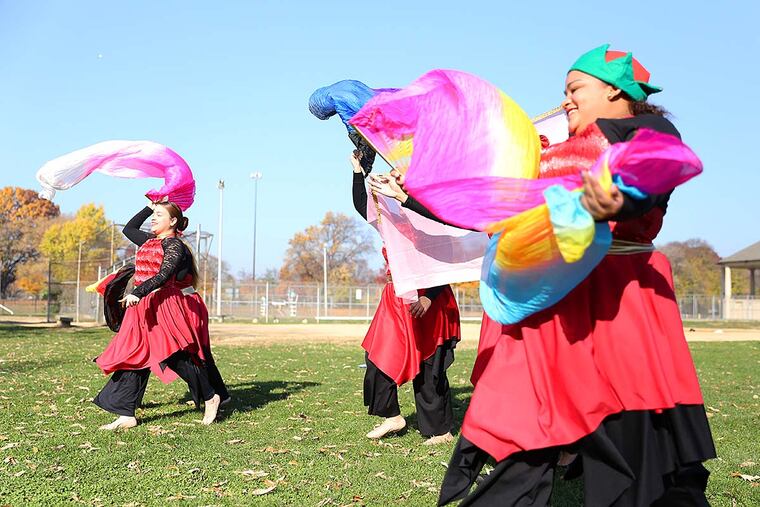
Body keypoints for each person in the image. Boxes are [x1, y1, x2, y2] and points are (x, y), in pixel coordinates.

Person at [430, 45, 716, 506]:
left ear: (615, 89)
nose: (566, 100)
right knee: (526, 428)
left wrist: (616, 197)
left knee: (635, 441)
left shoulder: (643, 128)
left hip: (620, 302)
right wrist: (415, 193)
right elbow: (493, 205)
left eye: (575, 89)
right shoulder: (551, 153)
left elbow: (657, 163)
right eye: (563, 92)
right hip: (552, 306)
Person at [351, 152, 461, 444]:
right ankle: (393, 417)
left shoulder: (433, 216)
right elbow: (364, 206)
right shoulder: (393, 218)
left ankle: (440, 430)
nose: (395, 176)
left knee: (429, 368)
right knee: (376, 358)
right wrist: (358, 172)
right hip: (395, 299)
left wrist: (430, 298)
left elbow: (446, 258)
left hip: (430, 299)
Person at [93, 200, 227, 429]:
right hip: (144, 306)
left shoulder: (175, 245)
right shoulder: (150, 241)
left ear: (173, 221)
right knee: (133, 355)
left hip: (164, 305)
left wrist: (138, 292)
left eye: (158, 215)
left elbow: (164, 275)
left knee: (172, 355)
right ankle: (126, 413)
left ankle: (210, 395)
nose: (152, 219)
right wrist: (148, 205)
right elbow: (129, 229)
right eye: (152, 215)